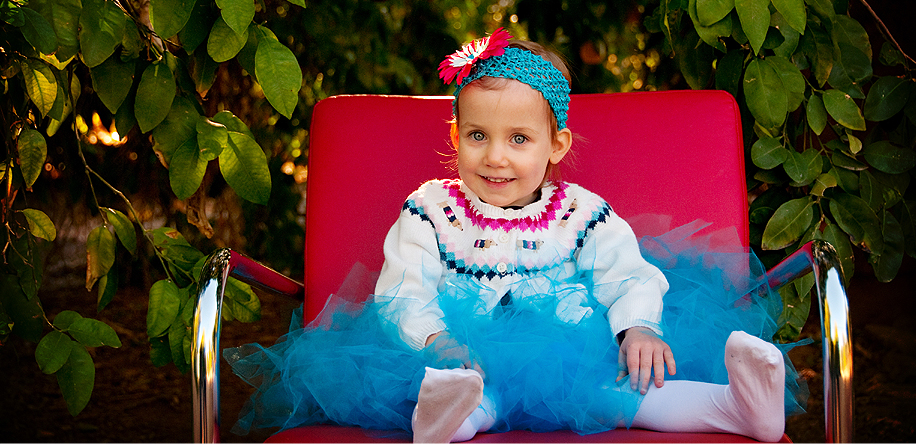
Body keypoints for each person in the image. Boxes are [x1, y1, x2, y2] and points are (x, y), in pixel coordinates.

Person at [224, 28, 805, 443]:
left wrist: (639, 327)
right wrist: (436, 342)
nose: (495, 157)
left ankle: (738, 408)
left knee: (629, 393)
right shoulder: (430, 209)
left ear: (556, 145)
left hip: (570, 357)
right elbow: (402, 291)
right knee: (472, 391)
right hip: (460, 352)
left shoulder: (582, 212)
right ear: (455, 136)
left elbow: (627, 274)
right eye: (478, 135)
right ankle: (447, 419)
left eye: (519, 139)